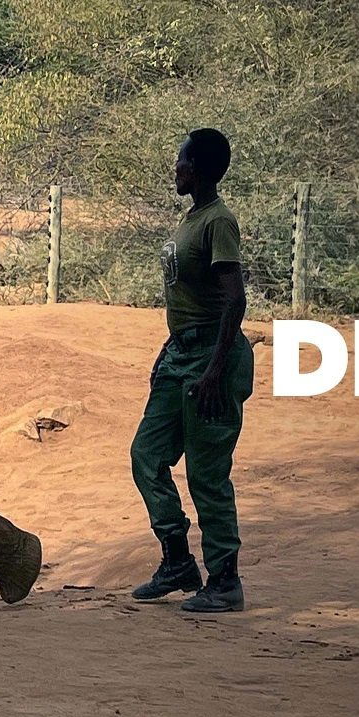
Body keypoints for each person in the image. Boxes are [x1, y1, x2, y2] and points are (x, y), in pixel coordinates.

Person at [127, 128, 253, 613]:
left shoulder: (219, 221)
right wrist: (168, 355)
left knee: (206, 474)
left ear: (197, 167)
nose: (175, 169)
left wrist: (216, 370)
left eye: (180, 161)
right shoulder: (191, 218)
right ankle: (177, 560)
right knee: (146, 455)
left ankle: (224, 580)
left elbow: (234, 300)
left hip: (212, 360)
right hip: (179, 356)